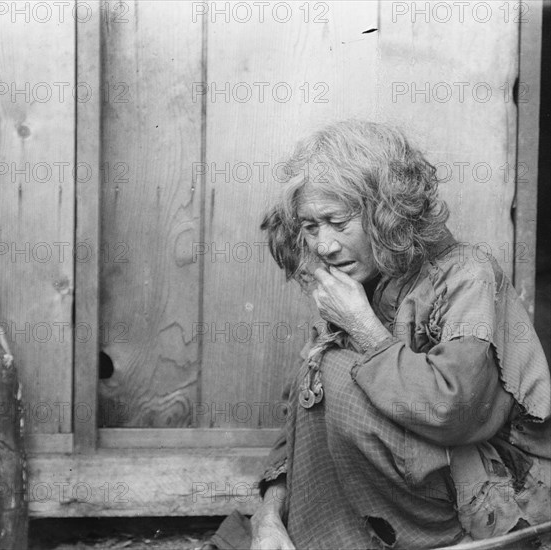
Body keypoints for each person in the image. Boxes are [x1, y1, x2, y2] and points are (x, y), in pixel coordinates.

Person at [205, 120, 551, 550]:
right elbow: (302, 418)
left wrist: (364, 329)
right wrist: (270, 514)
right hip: (402, 497)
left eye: (337, 222)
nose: (325, 246)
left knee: (334, 369)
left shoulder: (467, 275)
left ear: (386, 213)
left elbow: (456, 410)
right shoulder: (360, 281)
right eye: (311, 228)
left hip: (493, 497)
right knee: (323, 371)